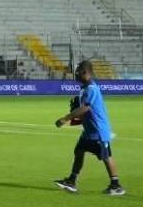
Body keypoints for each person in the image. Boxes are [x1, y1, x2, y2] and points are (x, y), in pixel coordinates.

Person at [54, 60, 125, 196]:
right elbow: (84, 113)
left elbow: (85, 108)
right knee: (79, 150)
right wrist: (76, 116)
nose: (76, 74)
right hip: (89, 130)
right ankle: (72, 181)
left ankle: (116, 185)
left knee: (106, 156)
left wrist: (65, 119)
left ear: (86, 73)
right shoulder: (85, 89)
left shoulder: (91, 89)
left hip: (98, 131)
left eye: (78, 71)